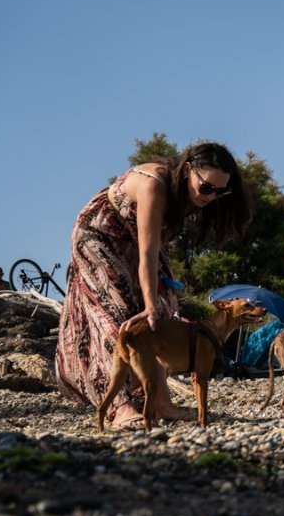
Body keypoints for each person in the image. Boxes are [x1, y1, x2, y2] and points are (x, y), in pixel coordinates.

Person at [56, 142, 252, 427]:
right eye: (207, 187)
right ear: (187, 169)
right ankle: (120, 407)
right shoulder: (154, 186)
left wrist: (155, 305)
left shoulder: (189, 192)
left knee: (165, 309)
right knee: (122, 314)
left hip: (133, 239)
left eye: (220, 191)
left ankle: (162, 404)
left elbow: (149, 248)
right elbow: (147, 255)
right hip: (99, 235)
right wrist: (147, 306)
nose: (211, 196)